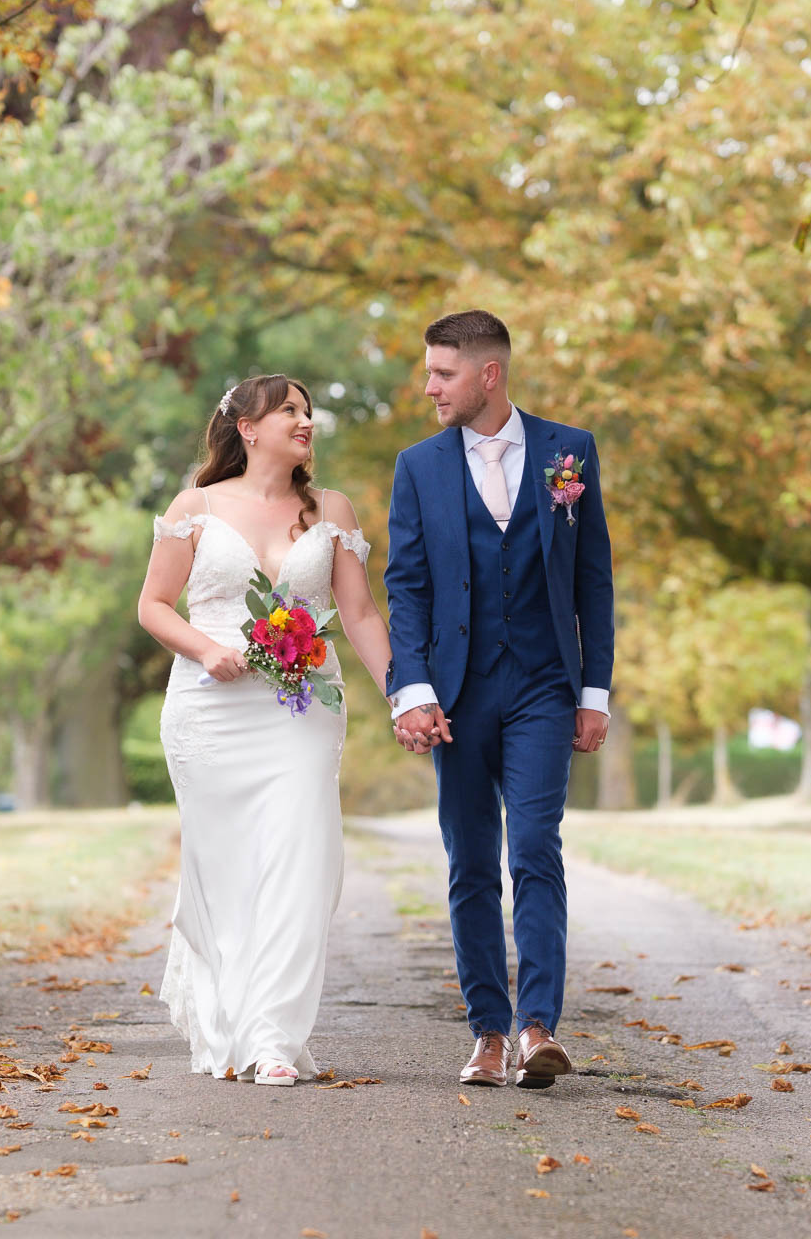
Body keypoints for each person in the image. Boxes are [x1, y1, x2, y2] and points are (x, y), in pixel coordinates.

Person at [136, 374, 395, 1087]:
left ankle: (273, 1037)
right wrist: (204, 648)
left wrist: (405, 697)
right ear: (248, 428)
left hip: (303, 707)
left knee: (300, 860)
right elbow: (154, 605)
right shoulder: (196, 507)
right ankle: (230, 1014)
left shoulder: (331, 510)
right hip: (209, 708)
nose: (306, 421)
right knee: (227, 868)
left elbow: (362, 615)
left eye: (308, 412)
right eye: (289, 411)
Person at [383, 310, 615, 1089]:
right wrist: (410, 689)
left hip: (546, 688)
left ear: (490, 374)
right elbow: (406, 588)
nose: (430, 387)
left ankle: (537, 1027)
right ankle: (487, 1031)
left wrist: (594, 692)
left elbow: (593, 582)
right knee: (472, 861)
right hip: (458, 693)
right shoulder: (417, 467)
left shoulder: (568, 451)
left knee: (536, 848)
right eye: (429, 372)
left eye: (443, 374)